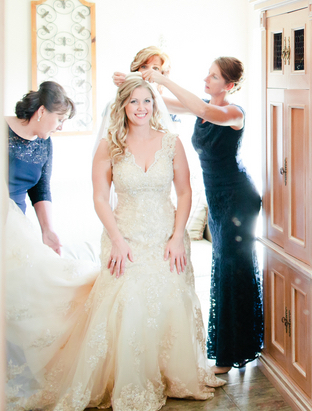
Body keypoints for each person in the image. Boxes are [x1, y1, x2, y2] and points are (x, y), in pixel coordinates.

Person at [5, 77, 224, 410]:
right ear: (123, 105)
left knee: (171, 298)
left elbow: (184, 192)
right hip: (125, 235)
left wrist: (179, 236)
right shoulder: (110, 145)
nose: (141, 108)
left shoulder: (172, 142)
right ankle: (128, 378)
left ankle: (170, 373)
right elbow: (100, 198)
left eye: (147, 101)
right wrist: (118, 240)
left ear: (154, 105)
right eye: (134, 101)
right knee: (128, 301)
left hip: (166, 235)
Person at [142, 57, 263, 374]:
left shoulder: (233, 113)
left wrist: (164, 80)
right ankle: (237, 347)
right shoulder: (203, 106)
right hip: (218, 200)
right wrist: (139, 84)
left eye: (213, 77)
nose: (206, 80)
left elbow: (205, 111)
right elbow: (165, 104)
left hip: (238, 199)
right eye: (207, 75)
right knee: (226, 270)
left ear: (230, 85)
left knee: (233, 272)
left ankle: (231, 354)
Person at [6, 81, 75, 254]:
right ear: (42, 111)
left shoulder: (44, 143)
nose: (61, 127)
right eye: (60, 119)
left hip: (16, 227)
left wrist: (47, 230)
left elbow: (41, 189)